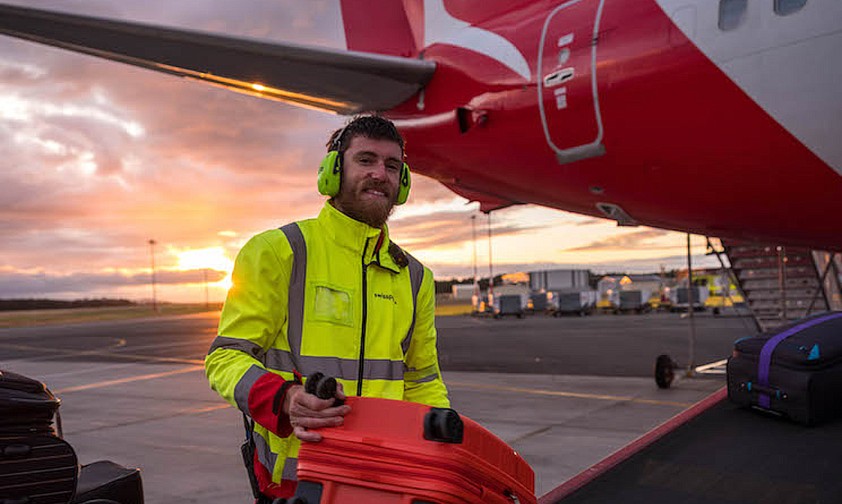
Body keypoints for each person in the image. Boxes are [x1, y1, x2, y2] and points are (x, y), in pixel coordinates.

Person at [205, 115, 450, 503]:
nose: (380, 174)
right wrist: (285, 398)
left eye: (392, 166)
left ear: (402, 183)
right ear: (333, 172)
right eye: (365, 160)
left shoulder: (416, 277)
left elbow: (422, 380)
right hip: (299, 481)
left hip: (385, 481)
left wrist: (439, 448)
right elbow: (225, 358)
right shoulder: (279, 251)